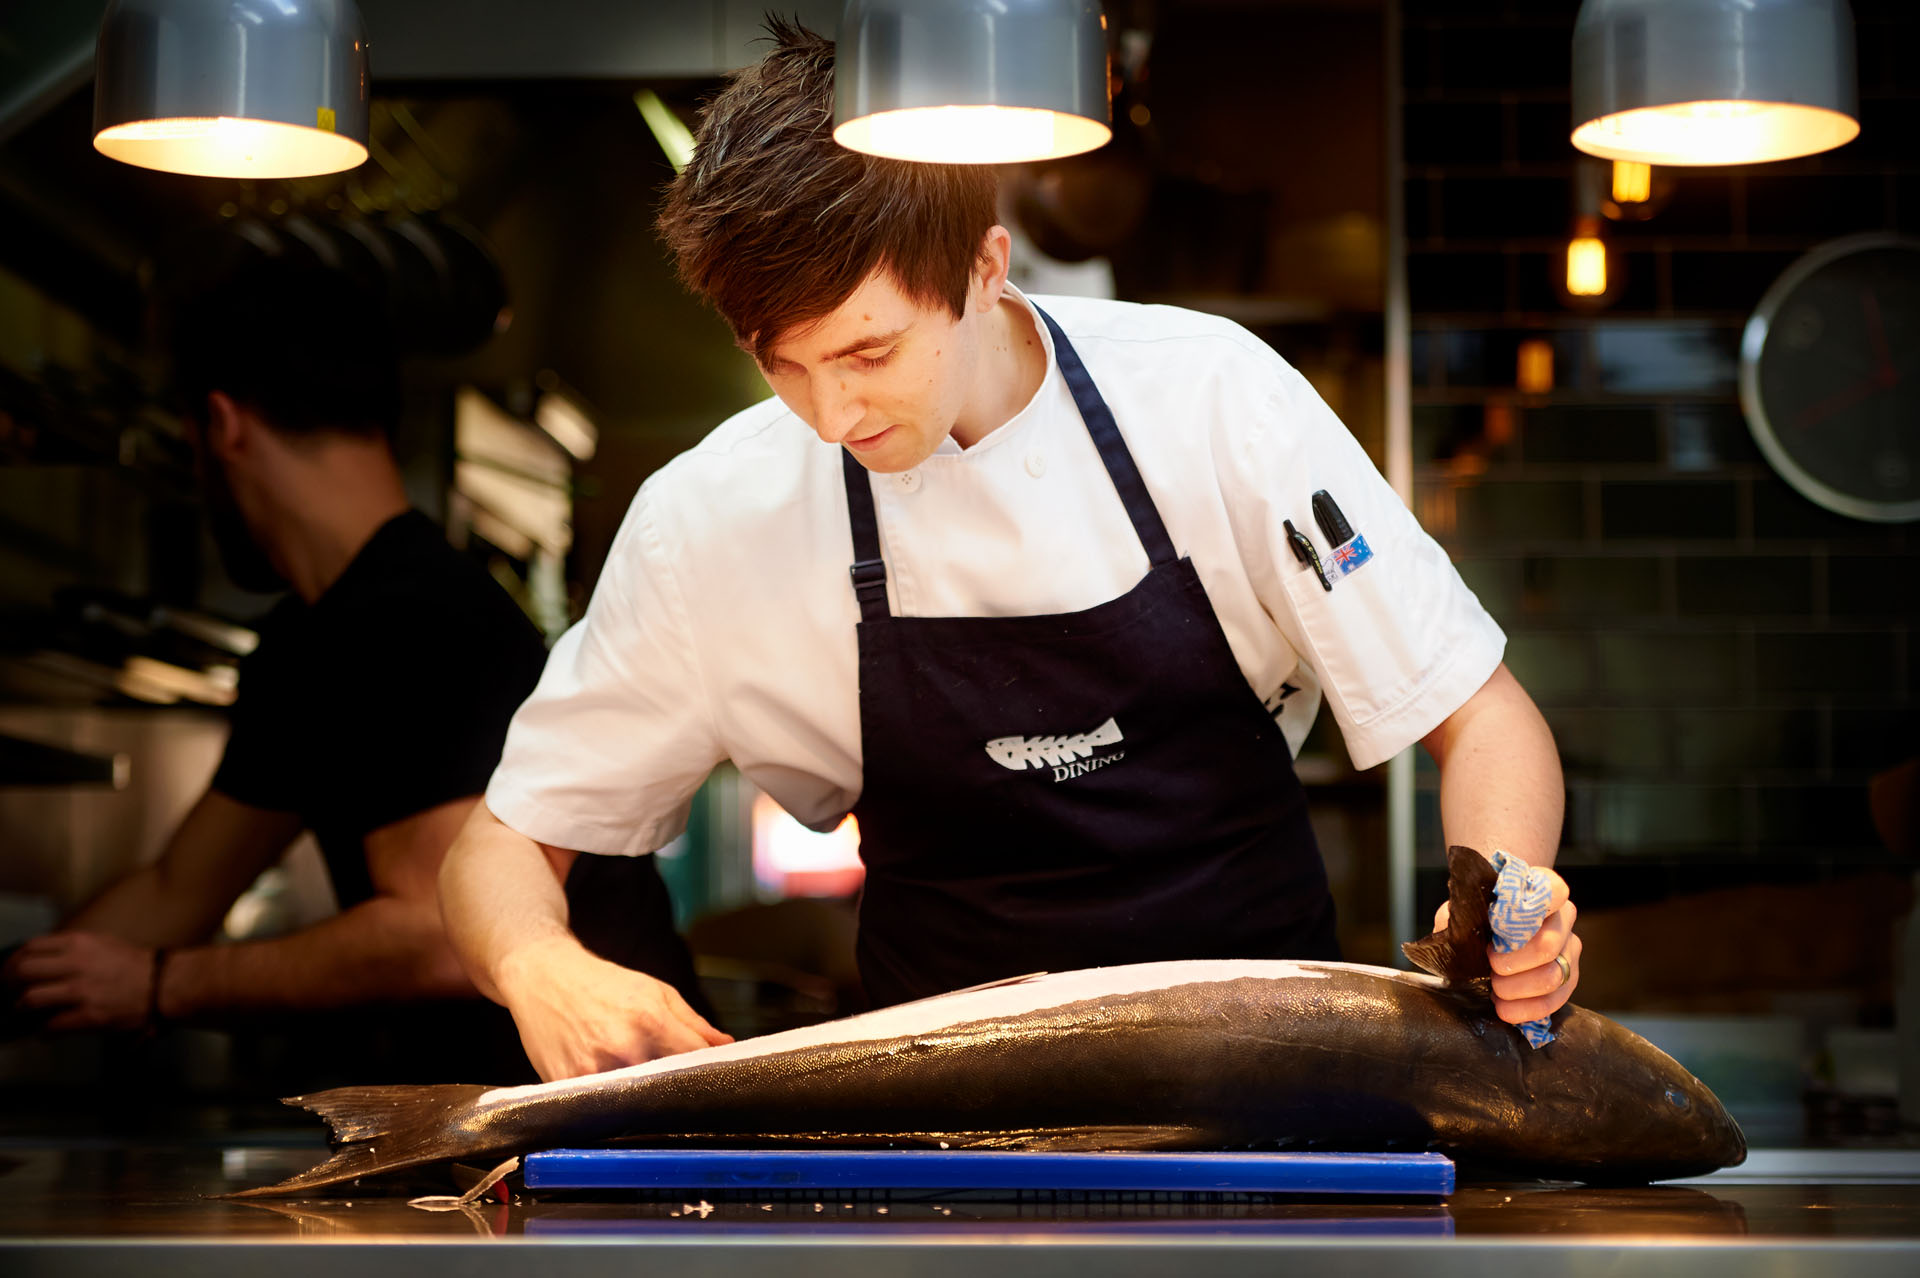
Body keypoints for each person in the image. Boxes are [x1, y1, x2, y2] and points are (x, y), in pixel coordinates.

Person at [440, 20, 1577, 1082]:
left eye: (871, 352)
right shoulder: (714, 522)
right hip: (947, 1144)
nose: (832, 415)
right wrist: (540, 966)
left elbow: (1480, 714)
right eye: (783, 365)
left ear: (987, 267)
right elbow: (499, 848)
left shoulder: (1213, 401)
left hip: (1279, 1104)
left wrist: (1508, 906)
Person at [1, 254, 710, 1083]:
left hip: (599, 1119)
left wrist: (165, 986)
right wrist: (18, 992)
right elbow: (174, 891)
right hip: (488, 1130)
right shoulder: (306, 644)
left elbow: (438, 933)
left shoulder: (421, 617)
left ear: (224, 426)